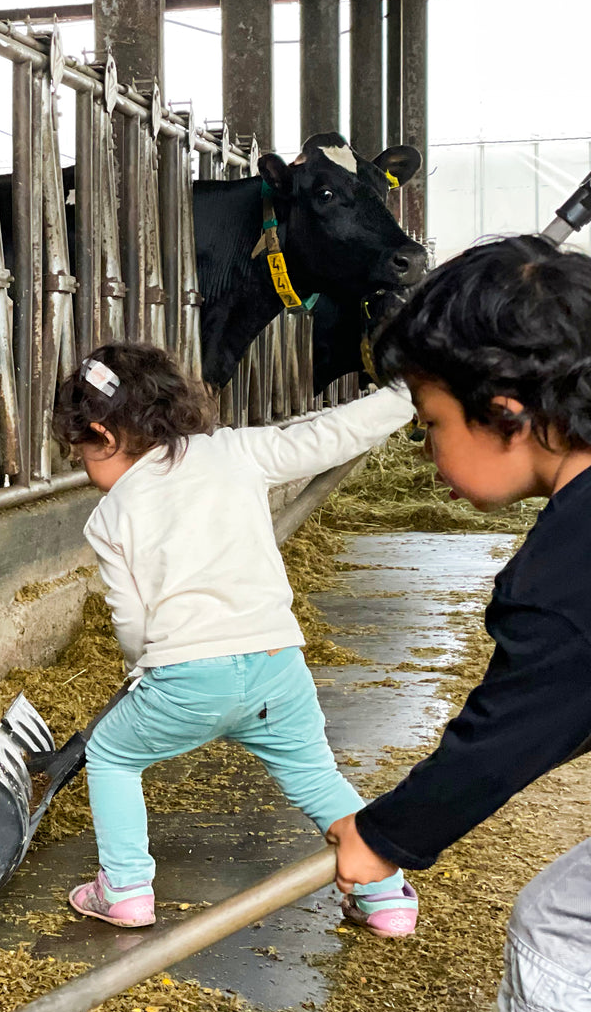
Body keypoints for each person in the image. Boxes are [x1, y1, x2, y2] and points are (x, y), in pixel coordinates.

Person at [324, 234, 591, 1012]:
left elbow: (493, 748)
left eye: (431, 423)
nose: (425, 451)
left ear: (505, 412)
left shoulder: (574, 573)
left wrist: (383, 835)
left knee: (565, 939)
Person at [52, 341, 419, 935]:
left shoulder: (112, 515)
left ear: (104, 435)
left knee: (113, 755)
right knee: (314, 774)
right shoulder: (236, 452)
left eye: (82, 453)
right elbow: (333, 432)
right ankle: (385, 898)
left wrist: (141, 665)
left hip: (187, 676)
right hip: (277, 663)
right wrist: (407, 395)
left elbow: (132, 621)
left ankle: (123, 890)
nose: (87, 469)